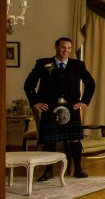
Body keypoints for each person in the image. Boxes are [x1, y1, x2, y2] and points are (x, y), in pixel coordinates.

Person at [24, 37, 96, 180]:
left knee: (75, 139)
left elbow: (91, 84)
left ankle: (78, 169)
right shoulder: (43, 64)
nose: (66, 51)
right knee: (49, 141)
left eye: (69, 48)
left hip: (71, 107)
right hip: (49, 107)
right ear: (56, 47)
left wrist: (84, 102)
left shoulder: (78, 65)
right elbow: (28, 85)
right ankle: (48, 171)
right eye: (63, 47)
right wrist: (35, 102)